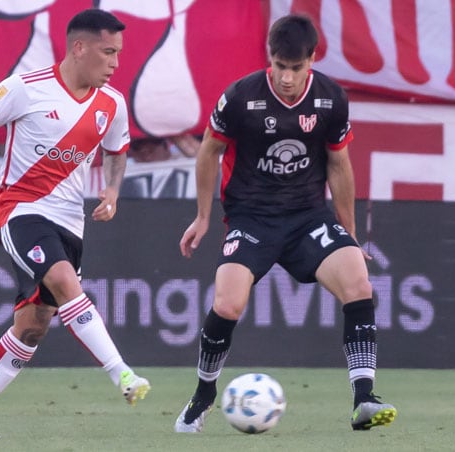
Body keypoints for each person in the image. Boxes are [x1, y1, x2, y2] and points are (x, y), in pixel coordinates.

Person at [174, 14, 396, 433]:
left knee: (359, 283)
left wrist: (347, 234)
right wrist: (203, 217)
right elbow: (208, 153)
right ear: (269, 59)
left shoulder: (331, 98)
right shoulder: (241, 96)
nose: (287, 77)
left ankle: (363, 398)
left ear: (312, 59)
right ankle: (203, 394)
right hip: (251, 217)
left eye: (296, 67)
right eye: (280, 66)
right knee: (227, 304)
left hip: (307, 217)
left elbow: (339, 164)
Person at [0, 9, 150, 439]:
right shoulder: (25, 88)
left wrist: (112, 190)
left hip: (69, 223)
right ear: (79, 48)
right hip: (18, 209)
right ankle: (124, 376)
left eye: (119, 54)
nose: (115, 63)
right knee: (63, 279)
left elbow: (117, 151)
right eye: (108, 52)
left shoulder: (111, 103)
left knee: (34, 324)